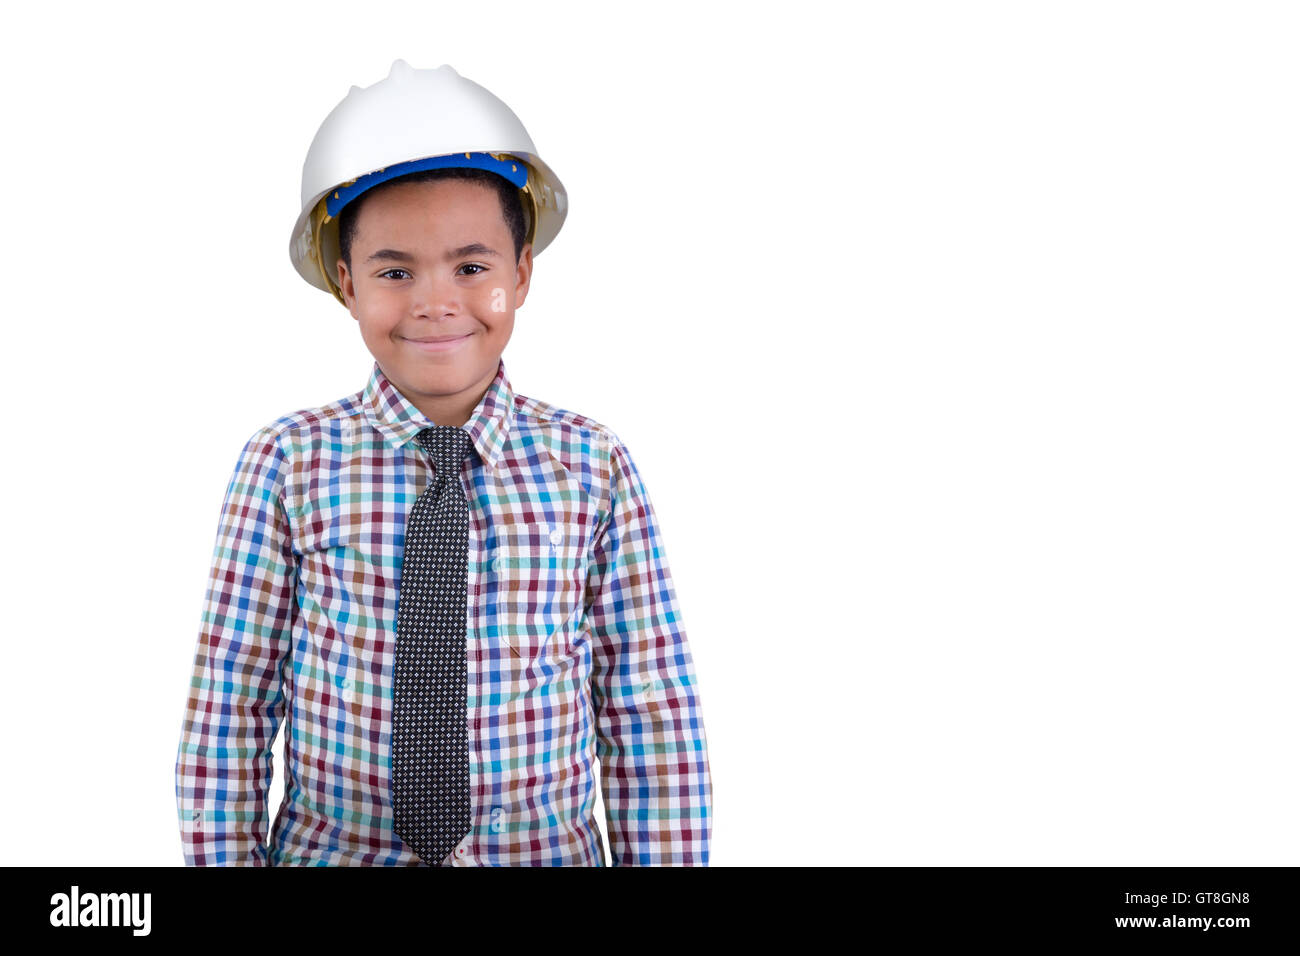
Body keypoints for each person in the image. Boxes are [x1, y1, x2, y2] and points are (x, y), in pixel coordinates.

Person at [173, 60, 712, 866]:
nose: (435, 301)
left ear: (521, 273)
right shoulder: (286, 464)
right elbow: (230, 708)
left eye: (472, 266)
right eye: (395, 272)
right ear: (346, 283)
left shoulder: (592, 466)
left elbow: (647, 710)